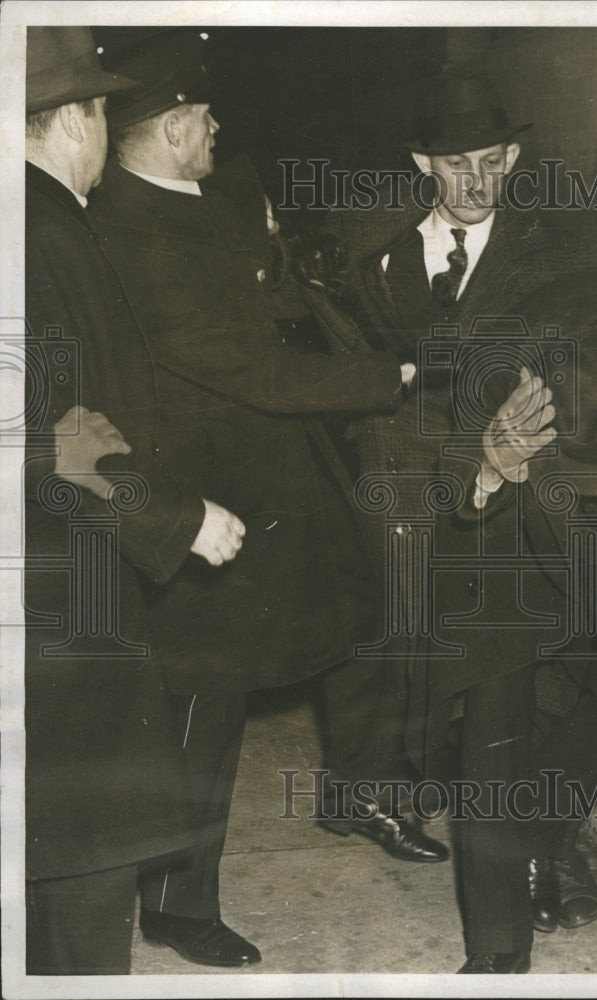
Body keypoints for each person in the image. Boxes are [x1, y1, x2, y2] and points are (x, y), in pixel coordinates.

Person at [298, 71, 597, 972]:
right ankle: (490, 939)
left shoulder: (557, 260)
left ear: (513, 159)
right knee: (459, 709)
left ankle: (535, 832)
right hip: (413, 499)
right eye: (458, 163)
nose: (478, 180)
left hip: (526, 508)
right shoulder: (371, 248)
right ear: (423, 164)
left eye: (493, 161)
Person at [85, 27, 442, 967]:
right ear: (165, 128)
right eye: (201, 115)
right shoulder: (130, 229)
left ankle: (351, 792)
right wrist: (393, 373)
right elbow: (255, 368)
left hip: (272, 481)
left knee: (331, 636)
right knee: (205, 702)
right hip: (204, 499)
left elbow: (272, 311)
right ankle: (175, 902)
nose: (215, 125)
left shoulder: (199, 197)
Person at [23, 27, 244, 974]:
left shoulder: (42, 217)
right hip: (59, 596)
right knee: (83, 860)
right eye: (105, 109)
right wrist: (176, 520)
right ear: (75, 117)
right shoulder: (40, 231)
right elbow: (43, 438)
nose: (107, 128)